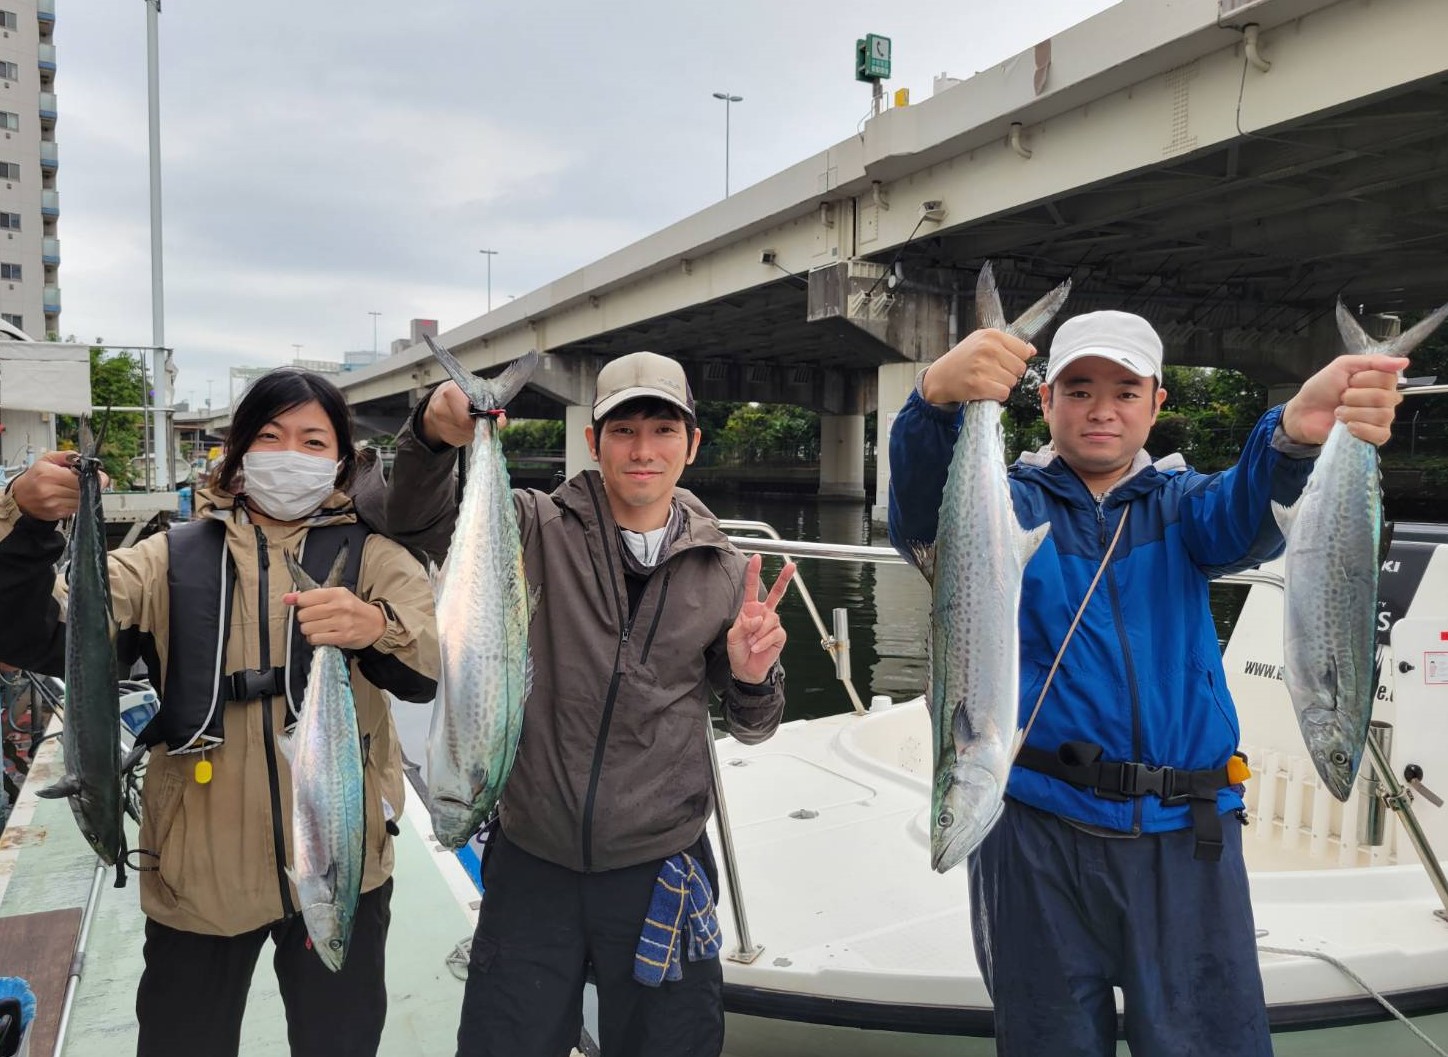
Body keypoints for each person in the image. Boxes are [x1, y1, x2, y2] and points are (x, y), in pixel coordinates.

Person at [887, 308, 1407, 1056]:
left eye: (1126, 390)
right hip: (1036, 834)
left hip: (1185, 838)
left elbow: (1247, 513)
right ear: (1045, 401)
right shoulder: (1006, 508)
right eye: (1079, 388)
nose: (1103, 408)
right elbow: (920, 509)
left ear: (1159, 403)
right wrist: (936, 398)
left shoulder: (1184, 507)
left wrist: (1295, 430)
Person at [0, 368, 439, 1057]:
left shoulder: (376, 558)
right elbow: (36, 631)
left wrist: (374, 624)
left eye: (312, 439)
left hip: (340, 858)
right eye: (270, 435)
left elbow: (425, 673)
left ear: (340, 461)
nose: (289, 452)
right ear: (236, 452)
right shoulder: (165, 559)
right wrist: (25, 523)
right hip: (195, 874)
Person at [383, 349, 795, 1057]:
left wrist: (755, 675)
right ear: (592, 440)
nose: (643, 450)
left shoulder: (725, 569)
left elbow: (752, 725)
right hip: (533, 862)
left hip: (662, 866)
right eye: (623, 429)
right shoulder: (530, 525)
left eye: (664, 430)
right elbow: (414, 516)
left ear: (693, 444)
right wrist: (431, 433)